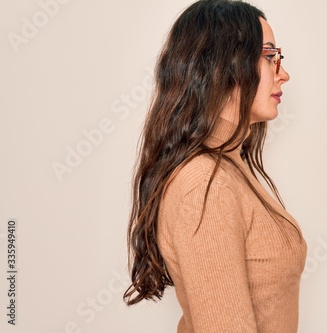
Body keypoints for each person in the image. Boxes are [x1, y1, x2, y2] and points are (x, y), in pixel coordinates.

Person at [123, 0, 307, 332]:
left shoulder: (228, 166)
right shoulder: (205, 183)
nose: (283, 73)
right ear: (224, 66)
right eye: (269, 57)